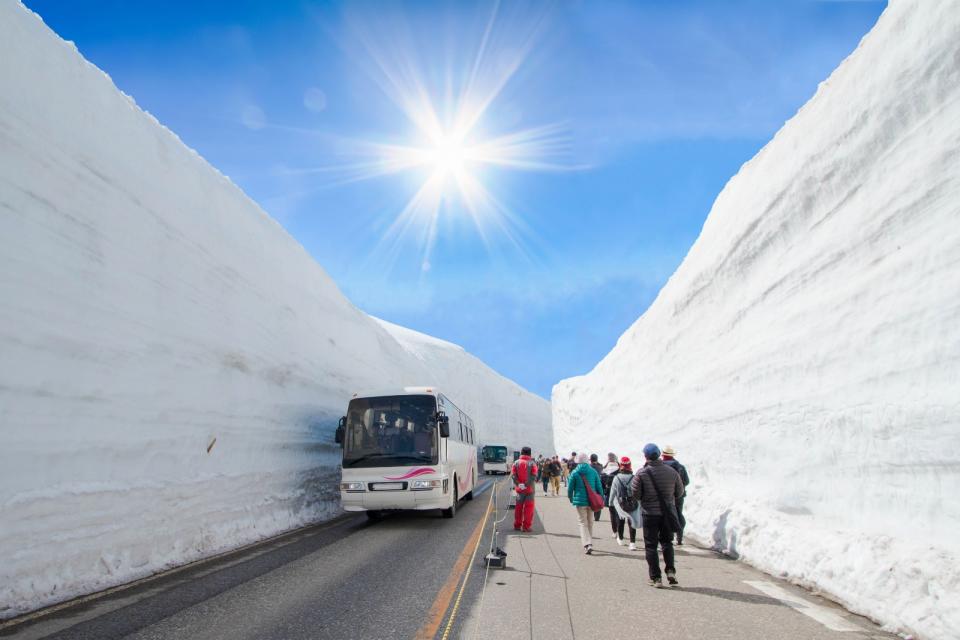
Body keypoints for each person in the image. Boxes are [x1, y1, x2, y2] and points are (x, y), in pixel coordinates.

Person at [630, 443, 684, 587]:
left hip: (649, 514)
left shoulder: (641, 473)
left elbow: (636, 494)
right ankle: (671, 570)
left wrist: (646, 498)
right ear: (659, 454)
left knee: (651, 546)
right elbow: (679, 493)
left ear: (646, 456)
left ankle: (656, 577)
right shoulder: (672, 472)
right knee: (667, 543)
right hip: (667, 514)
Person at [567, 452, 603, 554]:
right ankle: (589, 542)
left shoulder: (574, 472)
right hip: (592, 501)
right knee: (590, 522)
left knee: (583, 523)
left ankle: (587, 544)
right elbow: (599, 486)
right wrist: (601, 497)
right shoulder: (593, 472)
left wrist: (571, 498)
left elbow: (570, 489)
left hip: (580, 501)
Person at [607, 456, 641, 551]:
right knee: (632, 522)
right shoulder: (634, 478)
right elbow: (637, 491)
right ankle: (632, 543)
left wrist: (610, 504)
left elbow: (613, 493)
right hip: (632, 502)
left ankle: (621, 539)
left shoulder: (617, 478)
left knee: (620, 520)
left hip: (620, 503)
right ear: (630, 466)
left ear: (621, 466)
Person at [661, 446, 690, 545]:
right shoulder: (680, 467)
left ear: (663, 455)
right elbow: (686, 481)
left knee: (665, 515)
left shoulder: (659, 467)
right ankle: (679, 537)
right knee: (678, 514)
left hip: (665, 495)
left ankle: (668, 535)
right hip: (679, 496)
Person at [511, 446, 538, 532]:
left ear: (521, 452)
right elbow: (534, 476)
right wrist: (526, 484)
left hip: (519, 489)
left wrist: (519, 484)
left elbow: (513, 475)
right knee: (528, 508)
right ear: (529, 453)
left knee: (518, 508)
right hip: (530, 490)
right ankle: (526, 527)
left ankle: (517, 525)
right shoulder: (532, 463)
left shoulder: (516, 463)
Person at [601, 452, 620, 538]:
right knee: (619, 513)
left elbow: (602, 484)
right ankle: (620, 530)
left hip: (609, 494)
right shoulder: (619, 468)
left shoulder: (605, 470)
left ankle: (614, 531)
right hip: (619, 494)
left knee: (612, 513)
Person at [589, 454, 605, 522]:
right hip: (599, 486)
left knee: (590, 500)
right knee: (598, 500)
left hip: (591, 486)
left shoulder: (589, 467)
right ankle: (597, 517)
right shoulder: (600, 466)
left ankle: (589, 515)